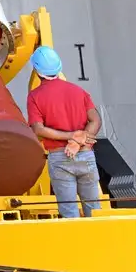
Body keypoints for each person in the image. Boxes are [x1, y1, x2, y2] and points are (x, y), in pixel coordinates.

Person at [27, 46, 102, 218]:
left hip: (60, 158)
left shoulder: (35, 96)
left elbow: (38, 129)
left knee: (69, 213)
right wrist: (78, 140)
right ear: (59, 67)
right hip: (86, 155)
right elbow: (95, 120)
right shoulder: (78, 91)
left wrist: (72, 138)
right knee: (96, 211)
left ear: (36, 70)